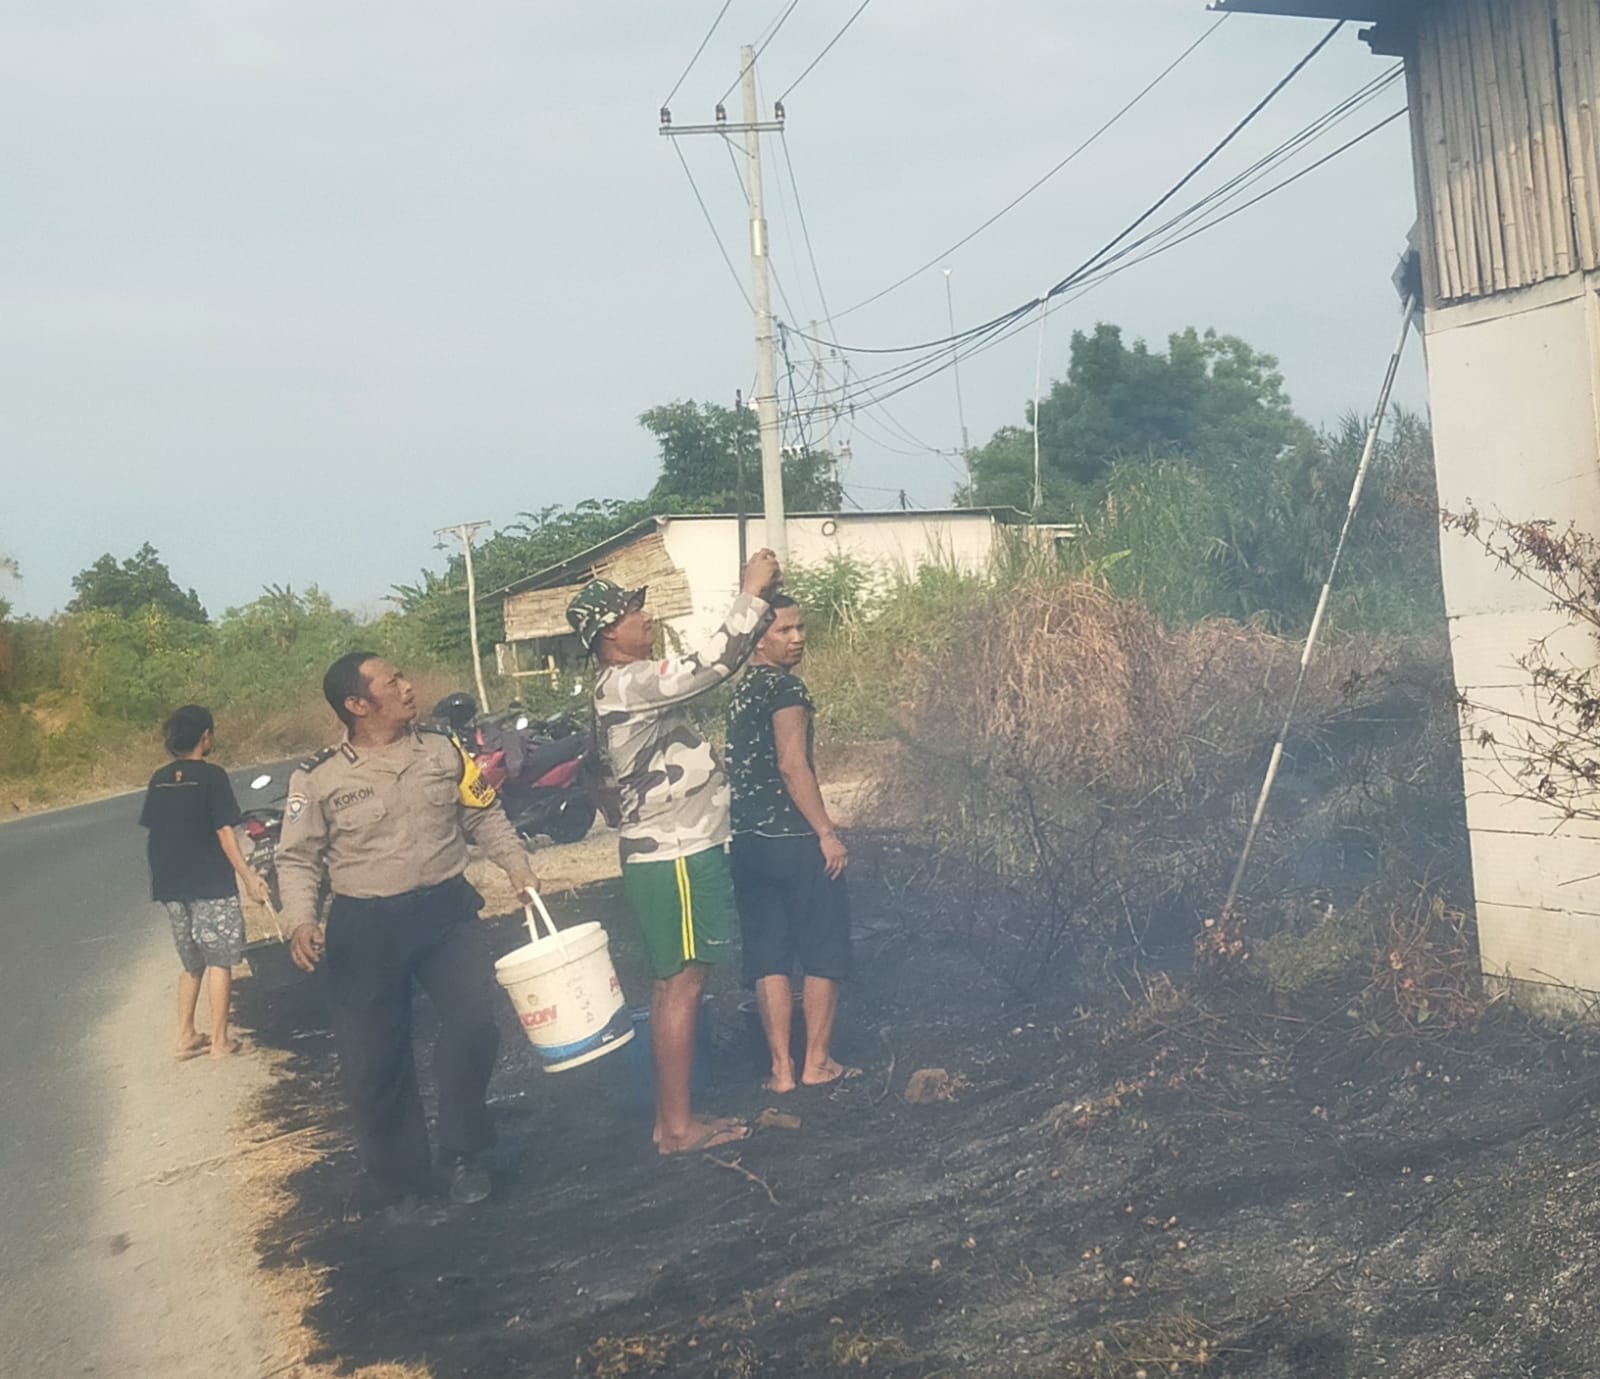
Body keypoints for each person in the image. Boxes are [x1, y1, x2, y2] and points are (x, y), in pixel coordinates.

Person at [277, 652, 541, 1219]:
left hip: (445, 911)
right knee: (374, 1058)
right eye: (392, 681)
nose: (408, 685)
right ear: (357, 704)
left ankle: (463, 1153)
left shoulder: (445, 750)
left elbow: (482, 815)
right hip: (365, 924)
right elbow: (298, 858)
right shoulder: (319, 777)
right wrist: (300, 920)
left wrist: (516, 867)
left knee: (474, 1025)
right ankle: (403, 1184)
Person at [566, 550, 779, 1154]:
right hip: (677, 853)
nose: (647, 618)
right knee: (683, 985)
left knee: (672, 985)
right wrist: (752, 593)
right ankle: (678, 1127)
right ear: (610, 632)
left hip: (665, 852)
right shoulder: (630, 682)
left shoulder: (617, 686)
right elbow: (713, 663)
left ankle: (673, 1120)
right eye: (636, 612)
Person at [726, 597, 859, 1092]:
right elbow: (791, 763)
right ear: (759, 638)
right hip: (793, 838)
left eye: (801, 627)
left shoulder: (742, 692)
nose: (798, 637)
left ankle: (781, 1069)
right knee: (823, 948)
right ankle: (817, 1062)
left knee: (768, 955)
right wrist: (826, 832)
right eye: (785, 630)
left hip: (747, 843)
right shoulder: (786, 688)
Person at [140, 705, 272, 1061]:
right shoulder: (213, 777)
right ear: (205, 737)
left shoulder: (159, 778)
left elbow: (156, 830)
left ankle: (184, 1036)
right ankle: (218, 1042)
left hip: (170, 885)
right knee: (220, 959)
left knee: (191, 961)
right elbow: (225, 832)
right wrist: (248, 877)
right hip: (209, 882)